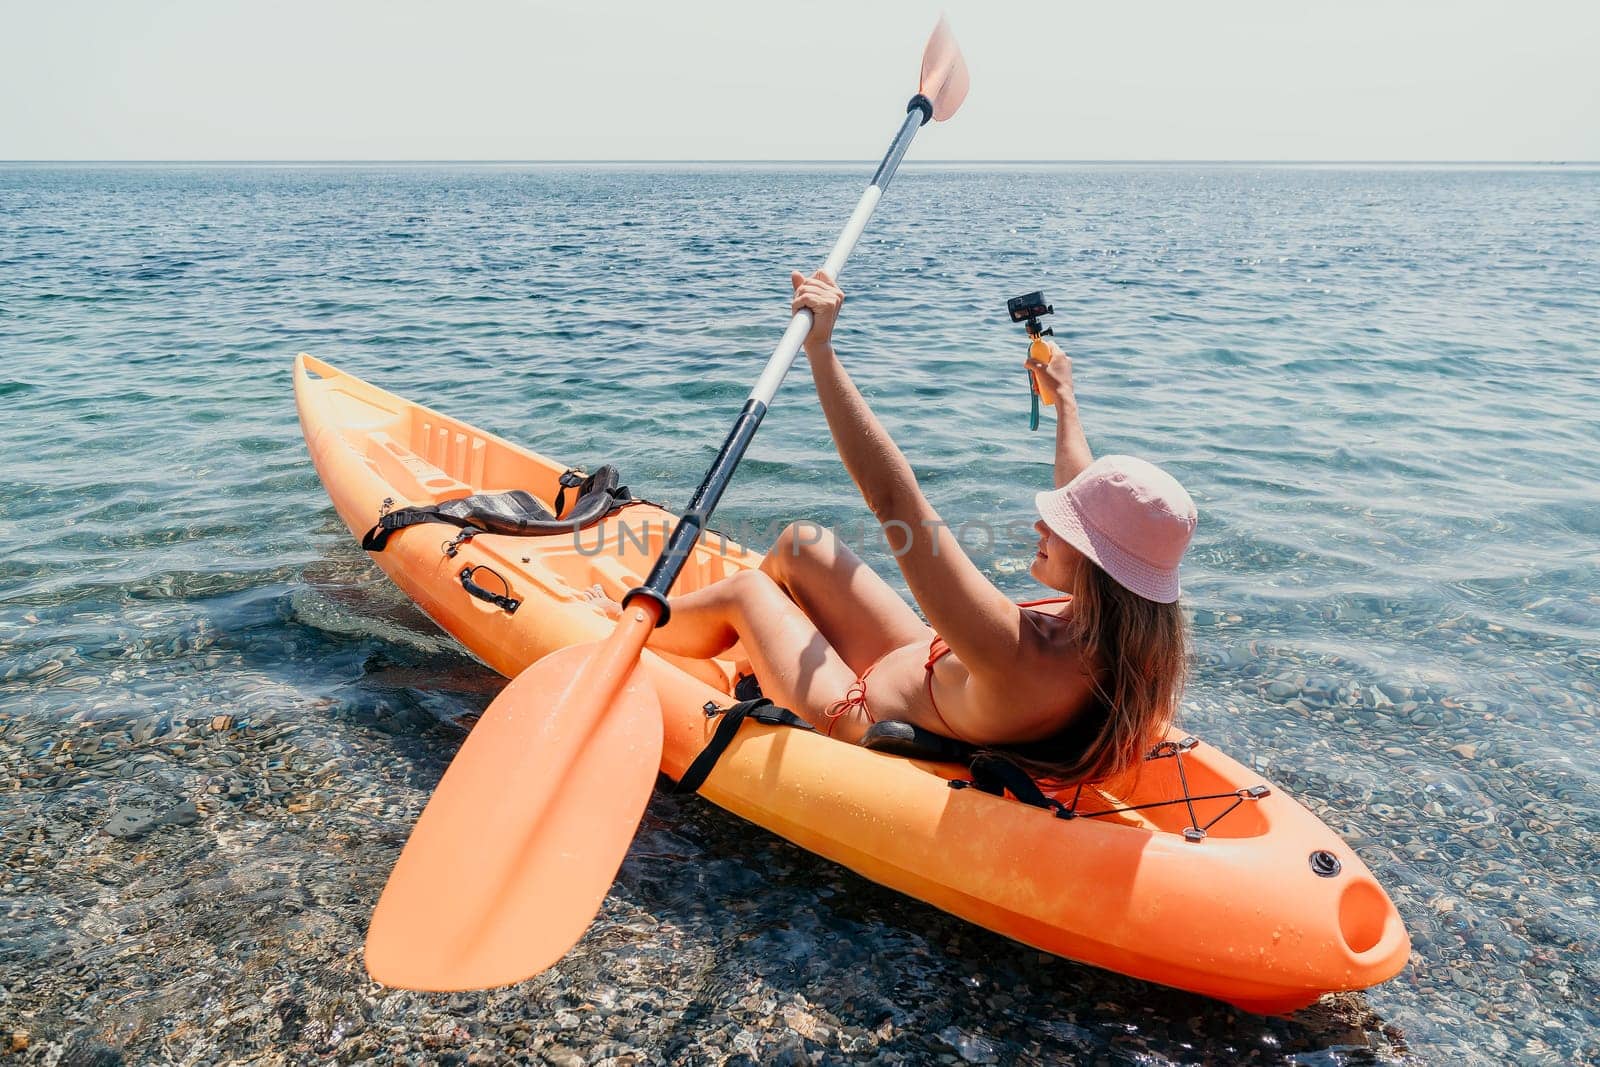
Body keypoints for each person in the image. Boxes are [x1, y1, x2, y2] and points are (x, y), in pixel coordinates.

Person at [594, 270, 1199, 785]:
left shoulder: (1017, 652)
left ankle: (629, 626)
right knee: (804, 544)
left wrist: (821, 351)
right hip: (920, 671)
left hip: (854, 712)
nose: (1043, 522)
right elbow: (1084, 486)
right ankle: (745, 657)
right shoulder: (1116, 635)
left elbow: (892, 498)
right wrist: (1064, 401)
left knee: (747, 592)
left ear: (1097, 563)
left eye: (1066, 526)